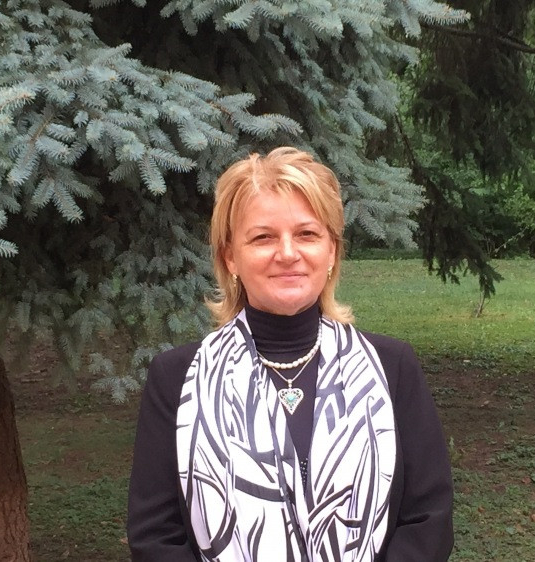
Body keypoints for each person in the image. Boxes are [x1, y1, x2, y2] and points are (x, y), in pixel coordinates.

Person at [127, 147, 454, 561]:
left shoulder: (392, 368)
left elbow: (429, 519)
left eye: (307, 234)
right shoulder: (177, 378)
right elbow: (155, 536)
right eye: (263, 237)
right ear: (231, 257)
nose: (287, 253)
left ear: (331, 251)